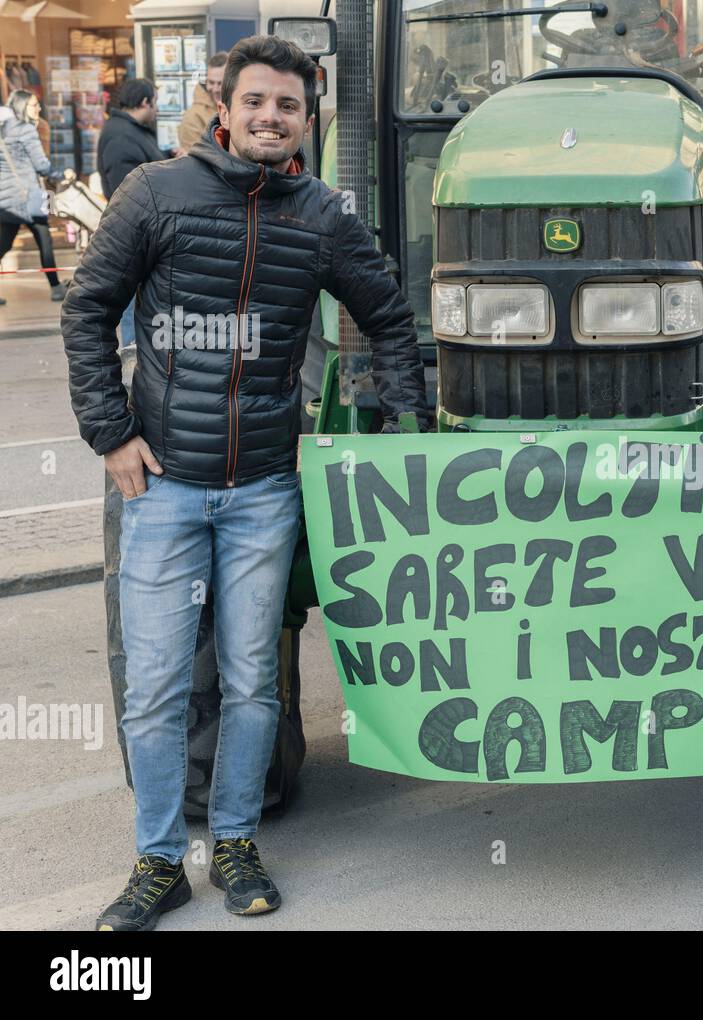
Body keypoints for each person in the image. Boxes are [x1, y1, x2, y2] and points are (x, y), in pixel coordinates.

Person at [62, 35, 429, 932]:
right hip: (161, 489)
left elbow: (388, 318)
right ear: (223, 106)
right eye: (255, 101)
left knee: (252, 682)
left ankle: (233, 845)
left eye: (289, 106)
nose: (270, 117)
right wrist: (111, 434)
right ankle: (158, 863)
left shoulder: (323, 215)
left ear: (309, 117)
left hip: (266, 488)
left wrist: (398, 428)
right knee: (154, 687)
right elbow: (86, 308)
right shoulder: (157, 191)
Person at [96, 78, 168, 346]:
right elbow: (126, 193)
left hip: (147, 233)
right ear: (144, 102)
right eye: (156, 102)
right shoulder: (122, 136)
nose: (158, 109)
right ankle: (133, 359)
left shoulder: (133, 130)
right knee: (131, 309)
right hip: (135, 235)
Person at [0, 90, 65, 302]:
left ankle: (55, 285)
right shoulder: (26, 129)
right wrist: (62, 174)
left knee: (5, 244)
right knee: (44, 240)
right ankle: (56, 287)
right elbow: (41, 165)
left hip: (7, 198)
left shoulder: (3, 130)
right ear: (21, 107)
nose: (39, 109)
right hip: (29, 196)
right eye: (34, 105)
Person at [176, 51, 227, 153]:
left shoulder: (238, 106)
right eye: (211, 82)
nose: (215, 89)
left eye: (220, 83)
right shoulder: (193, 117)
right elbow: (194, 162)